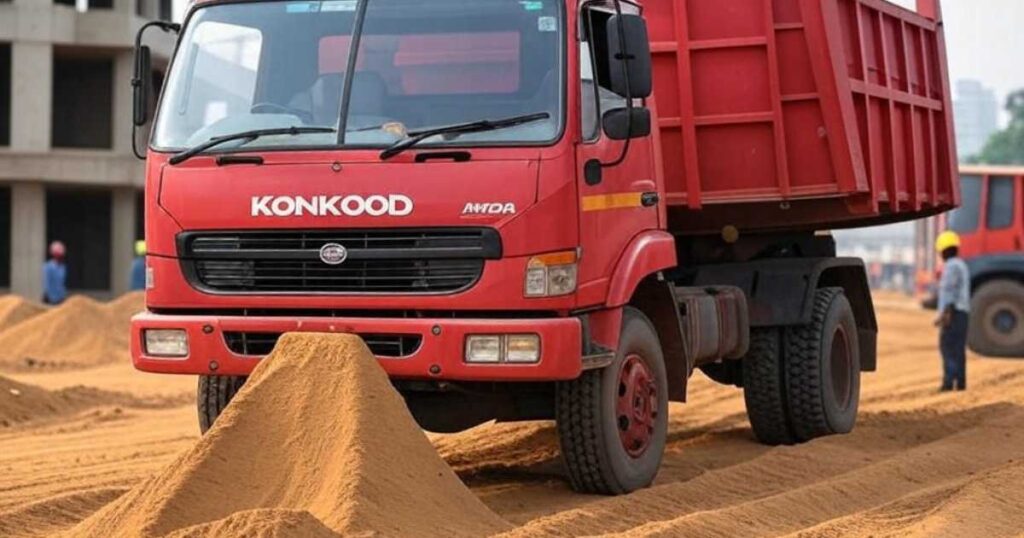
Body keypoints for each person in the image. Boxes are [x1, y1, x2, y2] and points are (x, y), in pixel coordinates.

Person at [934, 231, 970, 391]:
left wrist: (944, 314)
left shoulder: (951, 266)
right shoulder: (962, 264)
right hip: (962, 312)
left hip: (953, 312)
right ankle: (961, 383)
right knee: (959, 348)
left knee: (947, 346)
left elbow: (950, 290)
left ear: (945, 250)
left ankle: (948, 382)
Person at [43, 241, 68, 305]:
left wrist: (63, 296)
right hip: (50, 299)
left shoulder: (63, 267)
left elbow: (62, 283)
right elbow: (47, 283)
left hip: (61, 298)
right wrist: (51, 298)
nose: (60, 256)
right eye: (58, 254)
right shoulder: (48, 267)